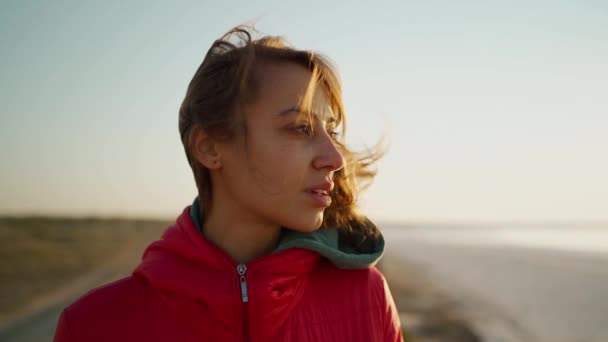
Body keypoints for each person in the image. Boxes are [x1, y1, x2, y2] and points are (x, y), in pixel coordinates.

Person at [53, 26, 403, 342]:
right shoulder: (93, 326)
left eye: (332, 132)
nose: (335, 158)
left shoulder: (366, 297)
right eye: (300, 128)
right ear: (210, 148)